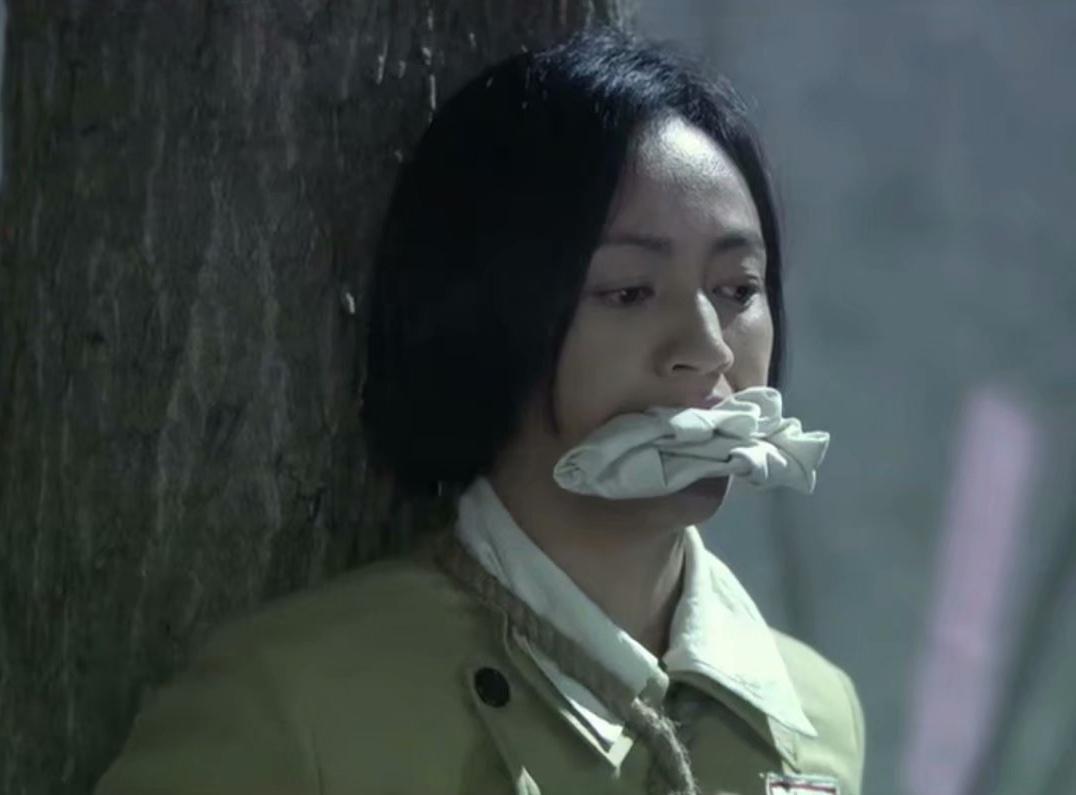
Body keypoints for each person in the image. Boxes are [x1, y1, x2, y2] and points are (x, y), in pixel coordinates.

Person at [95, 28, 865, 795]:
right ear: (491, 317)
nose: (707, 349)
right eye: (629, 291)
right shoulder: (288, 706)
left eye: (737, 289)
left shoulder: (817, 714)